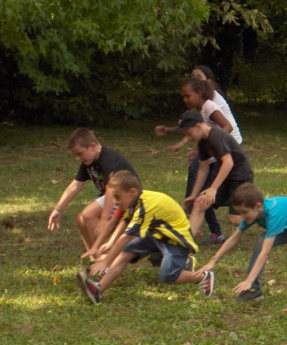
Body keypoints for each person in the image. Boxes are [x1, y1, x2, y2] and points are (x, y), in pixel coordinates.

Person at [77, 170, 213, 304]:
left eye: (117, 197)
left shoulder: (145, 206)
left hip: (175, 240)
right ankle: (98, 290)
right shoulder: (133, 202)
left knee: (168, 277)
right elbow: (123, 223)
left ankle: (202, 277)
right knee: (126, 253)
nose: (115, 202)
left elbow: (126, 237)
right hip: (157, 234)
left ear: (132, 192)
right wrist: (107, 245)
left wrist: (106, 261)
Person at [155, 77, 239, 245]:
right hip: (213, 150)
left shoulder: (209, 107)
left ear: (199, 93)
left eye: (188, 96)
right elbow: (192, 129)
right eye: (183, 97)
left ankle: (240, 201)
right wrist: (170, 133)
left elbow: (227, 126)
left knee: (211, 192)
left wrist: (215, 143)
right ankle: (203, 227)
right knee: (202, 190)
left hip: (229, 150)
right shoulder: (197, 110)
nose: (185, 100)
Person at [47, 128, 139, 251]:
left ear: (93, 146)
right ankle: (94, 258)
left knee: (88, 214)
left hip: (125, 198)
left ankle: (105, 260)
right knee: (81, 219)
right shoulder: (88, 162)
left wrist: (104, 219)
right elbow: (75, 186)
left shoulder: (109, 160)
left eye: (79, 153)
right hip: (110, 196)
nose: (78, 158)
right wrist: (58, 210)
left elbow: (110, 191)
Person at [172, 109, 254, 234]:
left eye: (189, 133)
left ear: (198, 126)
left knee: (235, 220)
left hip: (240, 176)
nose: (188, 137)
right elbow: (203, 168)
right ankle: (187, 241)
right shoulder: (202, 142)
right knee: (200, 202)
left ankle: (257, 206)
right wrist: (194, 195)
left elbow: (228, 162)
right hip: (224, 176)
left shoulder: (216, 136)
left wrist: (213, 188)